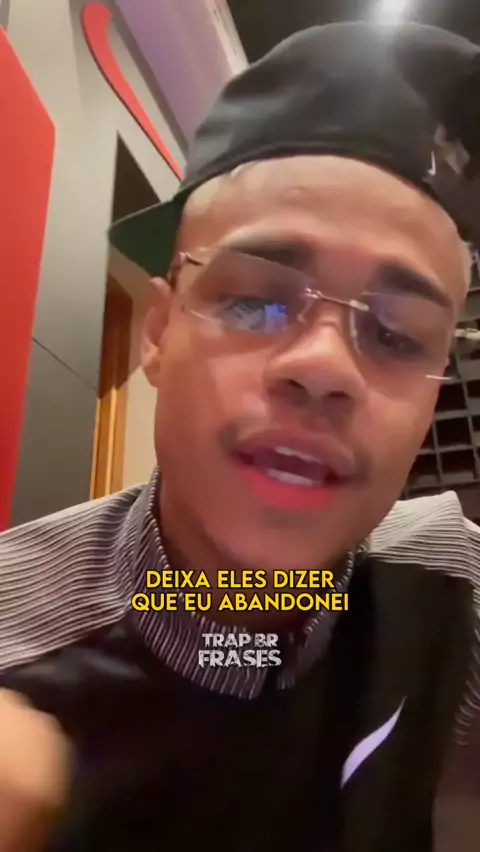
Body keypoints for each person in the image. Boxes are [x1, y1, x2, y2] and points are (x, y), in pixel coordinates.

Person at [1, 19, 480, 852]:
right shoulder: (18, 643)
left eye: (397, 335)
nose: (323, 367)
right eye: (254, 301)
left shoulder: (448, 592)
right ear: (158, 333)